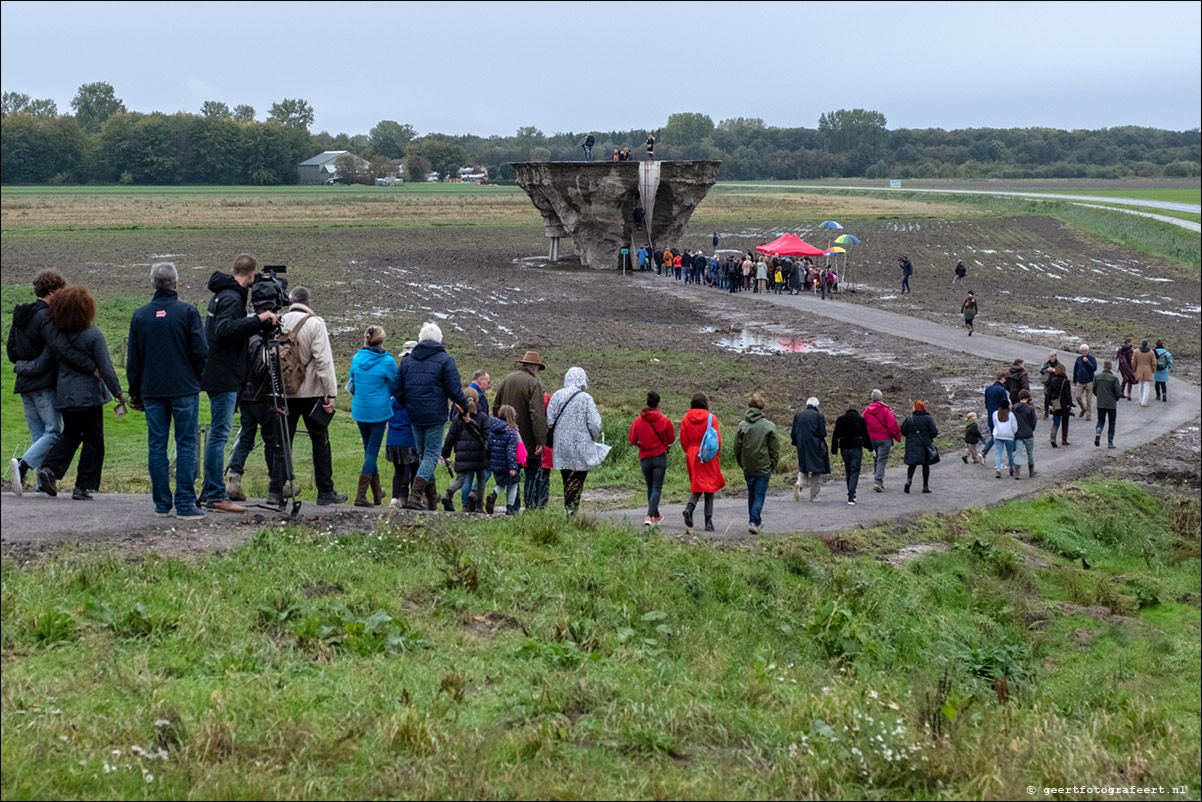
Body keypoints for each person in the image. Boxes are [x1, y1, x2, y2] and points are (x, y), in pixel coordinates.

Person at [6, 269, 99, 496]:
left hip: (24, 385)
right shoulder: (46, 316)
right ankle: (22, 465)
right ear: (53, 291)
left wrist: (22, 368)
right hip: (43, 385)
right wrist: (91, 367)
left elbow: (11, 352)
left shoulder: (21, 315)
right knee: (54, 433)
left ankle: (41, 485)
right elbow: (58, 349)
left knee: (40, 435)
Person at [126, 262, 208, 519]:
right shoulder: (187, 312)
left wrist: (135, 391)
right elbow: (201, 352)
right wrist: (197, 378)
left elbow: (134, 360)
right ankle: (185, 503)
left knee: (157, 445)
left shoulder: (140, 315)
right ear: (176, 284)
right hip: (183, 387)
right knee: (185, 444)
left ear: (153, 284)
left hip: (152, 390)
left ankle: (162, 504)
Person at [29, 287, 127, 499]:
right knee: (94, 440)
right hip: (89, 396)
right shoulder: (93, 335)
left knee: (71, 434)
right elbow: (106, 369)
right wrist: (119, 394)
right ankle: (83, 486)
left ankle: (49, 468)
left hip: (64, 394)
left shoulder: (57, 336)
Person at [198, 254, 276, 513]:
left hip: (218, 372)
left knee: (218, 435)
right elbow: (225, 330)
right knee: (219, 435)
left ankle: (211, 491)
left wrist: (253, 323)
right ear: (251, 275)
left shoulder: (221, 294)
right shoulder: (232, 297)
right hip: (224, 376)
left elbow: (226, 330)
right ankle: (215, 495)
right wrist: (259, 319)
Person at [392, 321, 469, 511]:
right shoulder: (445, 360)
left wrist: (408, 405)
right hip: (435, 415)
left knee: (423, 455)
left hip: (414, 414)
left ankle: (432, 498)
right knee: (431, 456)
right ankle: (415, 496)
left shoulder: (408, 361)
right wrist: (465, 408)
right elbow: (454, 390)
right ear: (439, 340)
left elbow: (398, 390)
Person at [281, 285, 347, 506]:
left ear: (290, 301)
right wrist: (331, 393)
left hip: (284, 392)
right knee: (320, 441)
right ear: (308, 302)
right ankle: (325, 491)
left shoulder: (278, 321)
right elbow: (324, 361)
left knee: (283, 441)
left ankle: (277, 487)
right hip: (311, 393)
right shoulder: (315, 323)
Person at [546, 367, 610, 514]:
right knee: (579, 478)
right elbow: (595, 423)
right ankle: (572, 510)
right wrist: (592, 437)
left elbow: (549, 420)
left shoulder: (557, 396)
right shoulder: (586, 398)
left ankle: (568, 507)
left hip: (561, 446)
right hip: (581, 445)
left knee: (566, 478)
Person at [348, 325, 397, 507]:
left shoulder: (356, 358)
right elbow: (394, 385)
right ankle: (361, 495)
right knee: (372, 451)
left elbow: (352, 378)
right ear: (381, 341)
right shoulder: (387, 361)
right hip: (379, 411)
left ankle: (377, 494)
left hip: (360, 409)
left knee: (369, 450)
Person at [494, 350, 548, 510]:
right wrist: (540, 440)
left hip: (507, 436)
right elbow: (536, 414)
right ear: (535, 367)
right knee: (532, 471)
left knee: (513, 471)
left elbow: (496, 406)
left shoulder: (507, 380)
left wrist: (502, 427)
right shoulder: (534, 383)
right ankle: (531, 507)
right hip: (528, 439)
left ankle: (512, 507)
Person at [628, 390, 676, 526]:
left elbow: (632, 439)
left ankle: (656, 515)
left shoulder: (637, 422)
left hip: (645, 458)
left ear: (647, 403)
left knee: (650, 488)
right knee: (656, 488)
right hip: (660, 458)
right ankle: (649, 516)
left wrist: (640, 443)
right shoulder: (665, 421)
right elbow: (671, 439)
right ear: (658, 404)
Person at [679, 393, 725, 534]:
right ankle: (708, 522)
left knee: (697, 484)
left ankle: (689, 508)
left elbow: (683, 440)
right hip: (707, 454)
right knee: (709, 488)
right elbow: (717, 440)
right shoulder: (712, 418)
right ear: (705, 403)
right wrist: (714, 453)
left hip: (692, 454)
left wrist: (691, 451)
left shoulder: (686, 418)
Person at [440, 387, 490, 512]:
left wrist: (445, 453)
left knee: (461, 479)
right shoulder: (483, 417)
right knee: (480, 478)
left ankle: (450, 493)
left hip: (461, 454)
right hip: (478, 454)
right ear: (478, 400)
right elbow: (487, 436)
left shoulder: (458, 418)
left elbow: (450, 437)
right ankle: (478, 505)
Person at [735, 393, 779, 532]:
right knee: (759, 495)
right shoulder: (769, 426)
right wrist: (773, 464)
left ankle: (755, 522)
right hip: (763, 467)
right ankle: (754, 522)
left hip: (748, 466)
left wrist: (741, 462)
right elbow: (774, 448)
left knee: (751, 494)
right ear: (762, 407)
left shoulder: (742, 425)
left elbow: (737, 447)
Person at [386, 341, 420, 508]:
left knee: (399, 470)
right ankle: (411, 497)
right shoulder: (411, 398)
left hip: (393, 438)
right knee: (413, 468)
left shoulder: (393, 400)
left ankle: (396, 498)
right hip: (408, 438)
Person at [831, 405, 871, 506]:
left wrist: (834, 449)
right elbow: (865, 435)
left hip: (844, 448)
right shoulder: (860, 420)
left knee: (848, 470)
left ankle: (851, 492)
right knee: (855, 471)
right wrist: (870, 447)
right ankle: (851, 495)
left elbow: (835, 435)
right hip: (856, 448)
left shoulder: (840, 419)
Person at [791, 397, 830, 503]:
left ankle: (799, 483)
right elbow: (823, 433)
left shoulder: (798, 415)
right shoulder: (819, 416)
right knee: (816, 471)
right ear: (816, 405)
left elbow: (793, 432)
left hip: (801, 446)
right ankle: (814, 496)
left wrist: (797, 444)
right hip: (815, 446)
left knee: (803, 468)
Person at [863, 389, 901, 492]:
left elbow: (863, 423)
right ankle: (878, 482)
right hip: (884, 439)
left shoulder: (867, 410)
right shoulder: (885, 410)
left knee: (876, 459)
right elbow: (892, 424)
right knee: (881, 460)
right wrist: (896, 435)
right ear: (881, 397)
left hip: (872, 439)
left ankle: (878, 480)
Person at [487, 405, 522, 515]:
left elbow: (488, 446)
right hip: (507, 464)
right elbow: (510, 450)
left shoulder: (493, 431)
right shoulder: (511, 432)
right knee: (513, 484)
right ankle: (509, 507)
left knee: (502, 483)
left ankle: (493, 495)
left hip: (496, 464)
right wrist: (513, 467)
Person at [900, 400, 938, 494]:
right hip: (925, 444)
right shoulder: (928, 418)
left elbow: (903, 431)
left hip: (912, 444)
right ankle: (925, 486)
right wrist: (928, 436)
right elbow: (934, 432)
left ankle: (909, 480)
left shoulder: (909, 419)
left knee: (912, 465)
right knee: (925, 465)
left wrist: (910, 437)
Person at [981, 371, 1008, 459]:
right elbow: (1005, 404)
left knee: (994, 435)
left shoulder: (988, 389)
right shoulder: (1001, 390)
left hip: (990, 415)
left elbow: (986, 403)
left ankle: (984, 453)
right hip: (1000, 416)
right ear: (1002, 379)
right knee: (1002, 436)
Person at [1093, 360, 1120, 449]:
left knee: (1101, 420)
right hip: (1111, 404)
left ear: (1103, 367)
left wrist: (1099, 396)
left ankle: (1098, 433)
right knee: (1112, 422)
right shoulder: (1114, 378)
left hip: (1100, 403)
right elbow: (1118, 392)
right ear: (1110, 368)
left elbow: (1094, 389)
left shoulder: (1097, 377)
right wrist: (1116, 398)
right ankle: (1110, 442)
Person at [1046, 363, 1074, 447]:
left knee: (1056, 422)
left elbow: (1049, 394)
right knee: (1065, 422)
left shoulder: (1053, 381)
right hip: (1065, 404)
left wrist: (1049, 404)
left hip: (1056, 403)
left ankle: (1053, 438)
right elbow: (1068, 394)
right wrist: (1071, 405)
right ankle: (1064, 440)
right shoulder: (1066, 381)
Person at [990, 400, 1019, 479]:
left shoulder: (995, 414)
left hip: (997, 434)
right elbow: (1014, 426)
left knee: (998, 452)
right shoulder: (1011, 415)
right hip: (1008, 435)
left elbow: (995, 424)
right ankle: (1011, 468)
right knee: (1010, 453)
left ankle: (998, 468)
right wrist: (1013, 433)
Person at [1013, 390, 1038, 479]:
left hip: (1018, 433)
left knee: (1018, 453)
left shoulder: (1014, 407)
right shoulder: (1030, 409)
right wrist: (1031, 429)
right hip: (1028, 433)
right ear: (1027, 397)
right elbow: (1034, 421)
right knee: (1030, 453)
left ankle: (1017, 473)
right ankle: (1031, 472)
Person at [1072, 344, 1097, 422]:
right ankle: (1083, 408)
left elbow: (1094, 368)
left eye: (1085, 351)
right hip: (1080, 381)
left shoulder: (1092, 359)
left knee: (1088, 399)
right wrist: (1074, 380)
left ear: (1088, 351)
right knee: (1077, 397)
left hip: (1089, 381)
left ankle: (1088, 415)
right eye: (1082, 351)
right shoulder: (1078, 359)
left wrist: (1087, 362)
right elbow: (1075, 369)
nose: (1084, 352)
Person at [1131, 340, 1157, 407]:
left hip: (1139, 369)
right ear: (1147, 344)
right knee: (1146, 386)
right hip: (1148, 370)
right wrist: (1153, 369)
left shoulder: (1136, 351)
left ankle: (1140, 399)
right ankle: (1144, 401)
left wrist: (1134, 368)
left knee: (1140, 385)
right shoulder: (1151, 352)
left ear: (1141, 344)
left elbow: (1133, 361)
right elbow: (1154, 362)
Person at [1039, 352, 1061, 419]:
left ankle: (1054, 412)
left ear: (1055, 357)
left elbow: (1061, 372)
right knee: (1047, 398)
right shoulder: (1046, 364)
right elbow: (1042, 371)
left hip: (1055, 384)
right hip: (1047, 383)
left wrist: (1054, 370)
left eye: (1053, 357)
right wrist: (1047, 370)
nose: (1051, 358)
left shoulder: (1059, 364)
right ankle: (1046, 412)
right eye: (1050, 357)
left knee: (1055, 398)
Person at [1116, 337, 1137, 401]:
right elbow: (1130, 359)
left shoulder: (1120, 349)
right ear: (1129, 342)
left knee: (1125, 378)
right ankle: (1129, 394)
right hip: (1127, 365)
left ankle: (1121, 392)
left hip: (1121, 365)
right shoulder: (1130, 349)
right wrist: (1133, 367)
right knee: (1130, 379)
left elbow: (1117, 357)